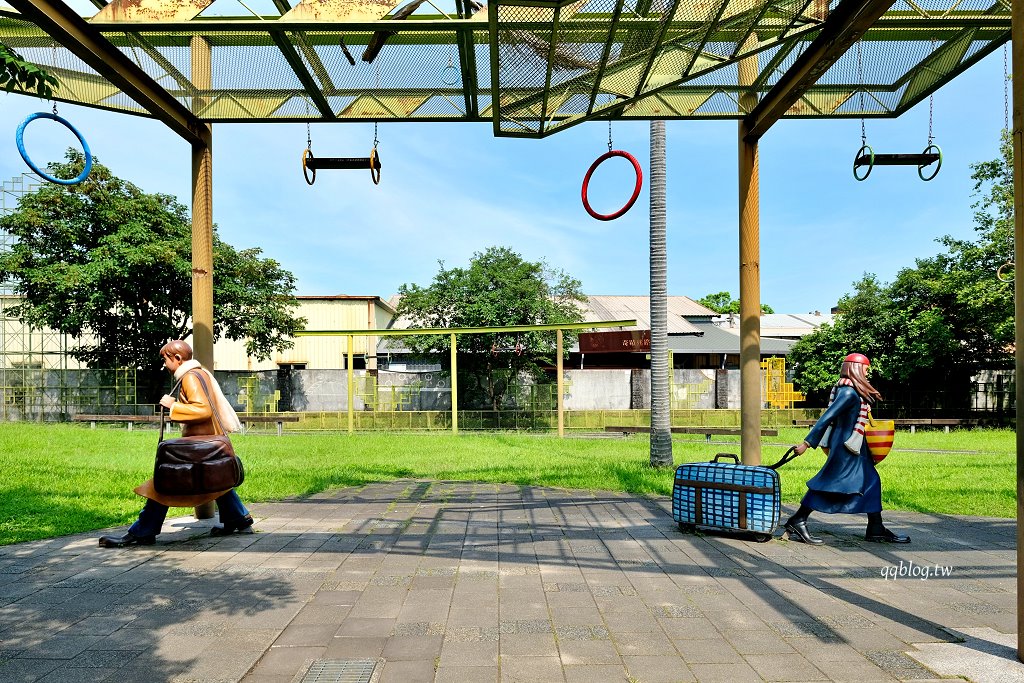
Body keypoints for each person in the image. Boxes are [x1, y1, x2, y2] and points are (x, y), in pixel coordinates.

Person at [99, 340, 254, 548]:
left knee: (165, 483)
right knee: (216, 479)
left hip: (198, 446)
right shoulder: (201, 373)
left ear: (178, 359)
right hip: (210, 441)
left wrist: (174, 406)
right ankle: (238, 518)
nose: (164, 364)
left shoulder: (190, 377)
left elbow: (203, 410)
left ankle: (144, 530)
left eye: (165, 359)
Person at [783, 353, 910, 546]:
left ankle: (876, 528)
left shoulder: (852, 391)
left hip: (854, 445)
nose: (867, 372)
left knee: (871, 481)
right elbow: (827, 417)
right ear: (856, 369)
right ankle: (798, 520)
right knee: (830, 483)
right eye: (865, 368)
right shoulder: (848, 392)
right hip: (846, 446)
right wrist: (806, 444)